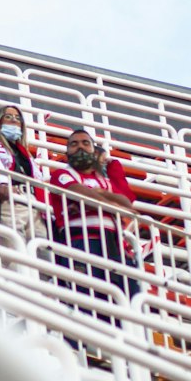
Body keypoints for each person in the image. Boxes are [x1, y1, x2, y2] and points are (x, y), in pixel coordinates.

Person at [48, 128, 138, 302]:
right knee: (88, 302)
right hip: (81, 242)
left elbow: (127, 203)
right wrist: (110, 203)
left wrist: (104, 195)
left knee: (127, 301)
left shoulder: (104, 181)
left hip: (113, 244)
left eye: (85, 143)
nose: (80, 147)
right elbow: (80, 193)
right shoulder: (61, 174)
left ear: (93, 150)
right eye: (74, 144)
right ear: (67, 152)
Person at [0, 105, 49, 241]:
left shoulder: (25, 153)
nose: (14, 121)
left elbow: (38, 178)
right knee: (13, 246)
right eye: (8, 117)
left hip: (33, 202)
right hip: (11, 199)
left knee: (41, 249)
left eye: (17, 118)